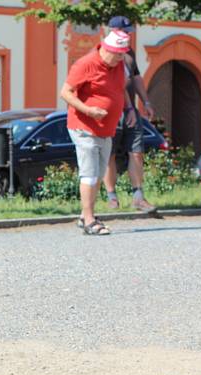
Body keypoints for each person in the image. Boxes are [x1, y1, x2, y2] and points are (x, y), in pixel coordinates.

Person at [60, 30, 134, 236]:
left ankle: (85, 215)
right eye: (118, 53)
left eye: (123, 53)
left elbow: (121, 90)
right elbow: (65, 92)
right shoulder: (86, 64)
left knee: (99, 174)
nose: (121, 57)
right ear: (107, 49)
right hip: (84, 127)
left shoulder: (119, 65)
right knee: (90, 174)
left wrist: (129, 110)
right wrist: (88, 110)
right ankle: (90, 220)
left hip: (106, 130)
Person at [101, 16, 157, 213]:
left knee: (136, 152)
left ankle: (138, 197)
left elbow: (135, 78)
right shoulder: (105, 51)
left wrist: (146, 101)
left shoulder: (129, 52)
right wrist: (130, 109)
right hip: (111, 111)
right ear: (113, 31)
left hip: (130, 110)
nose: (129, 34)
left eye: (129, 31)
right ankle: (112, 197)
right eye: (125, 31)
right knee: (110, 155)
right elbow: (118, 84)